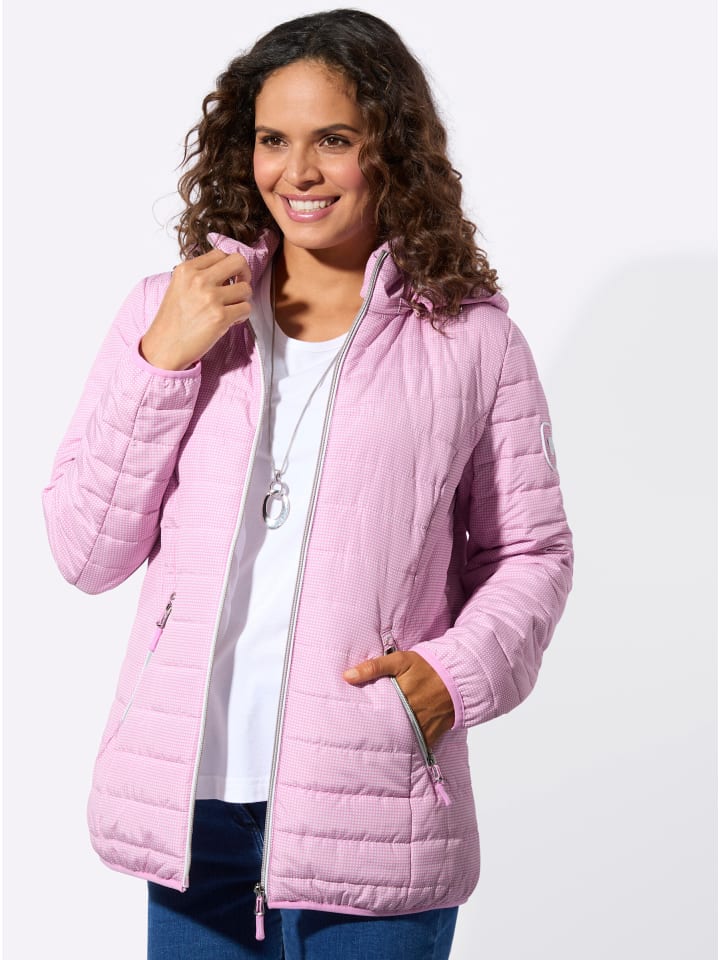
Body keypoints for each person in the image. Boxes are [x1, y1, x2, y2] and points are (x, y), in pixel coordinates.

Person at [42, 9, 573, 959]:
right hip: (192, 811)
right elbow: (86, 553)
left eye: (334, 139)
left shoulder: (472, 340)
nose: (299, 172)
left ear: (391, 149)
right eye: (272, 141)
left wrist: (451, 677)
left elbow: (530, 552)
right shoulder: (171, 313)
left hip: (374, 800)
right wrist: (164, 358)